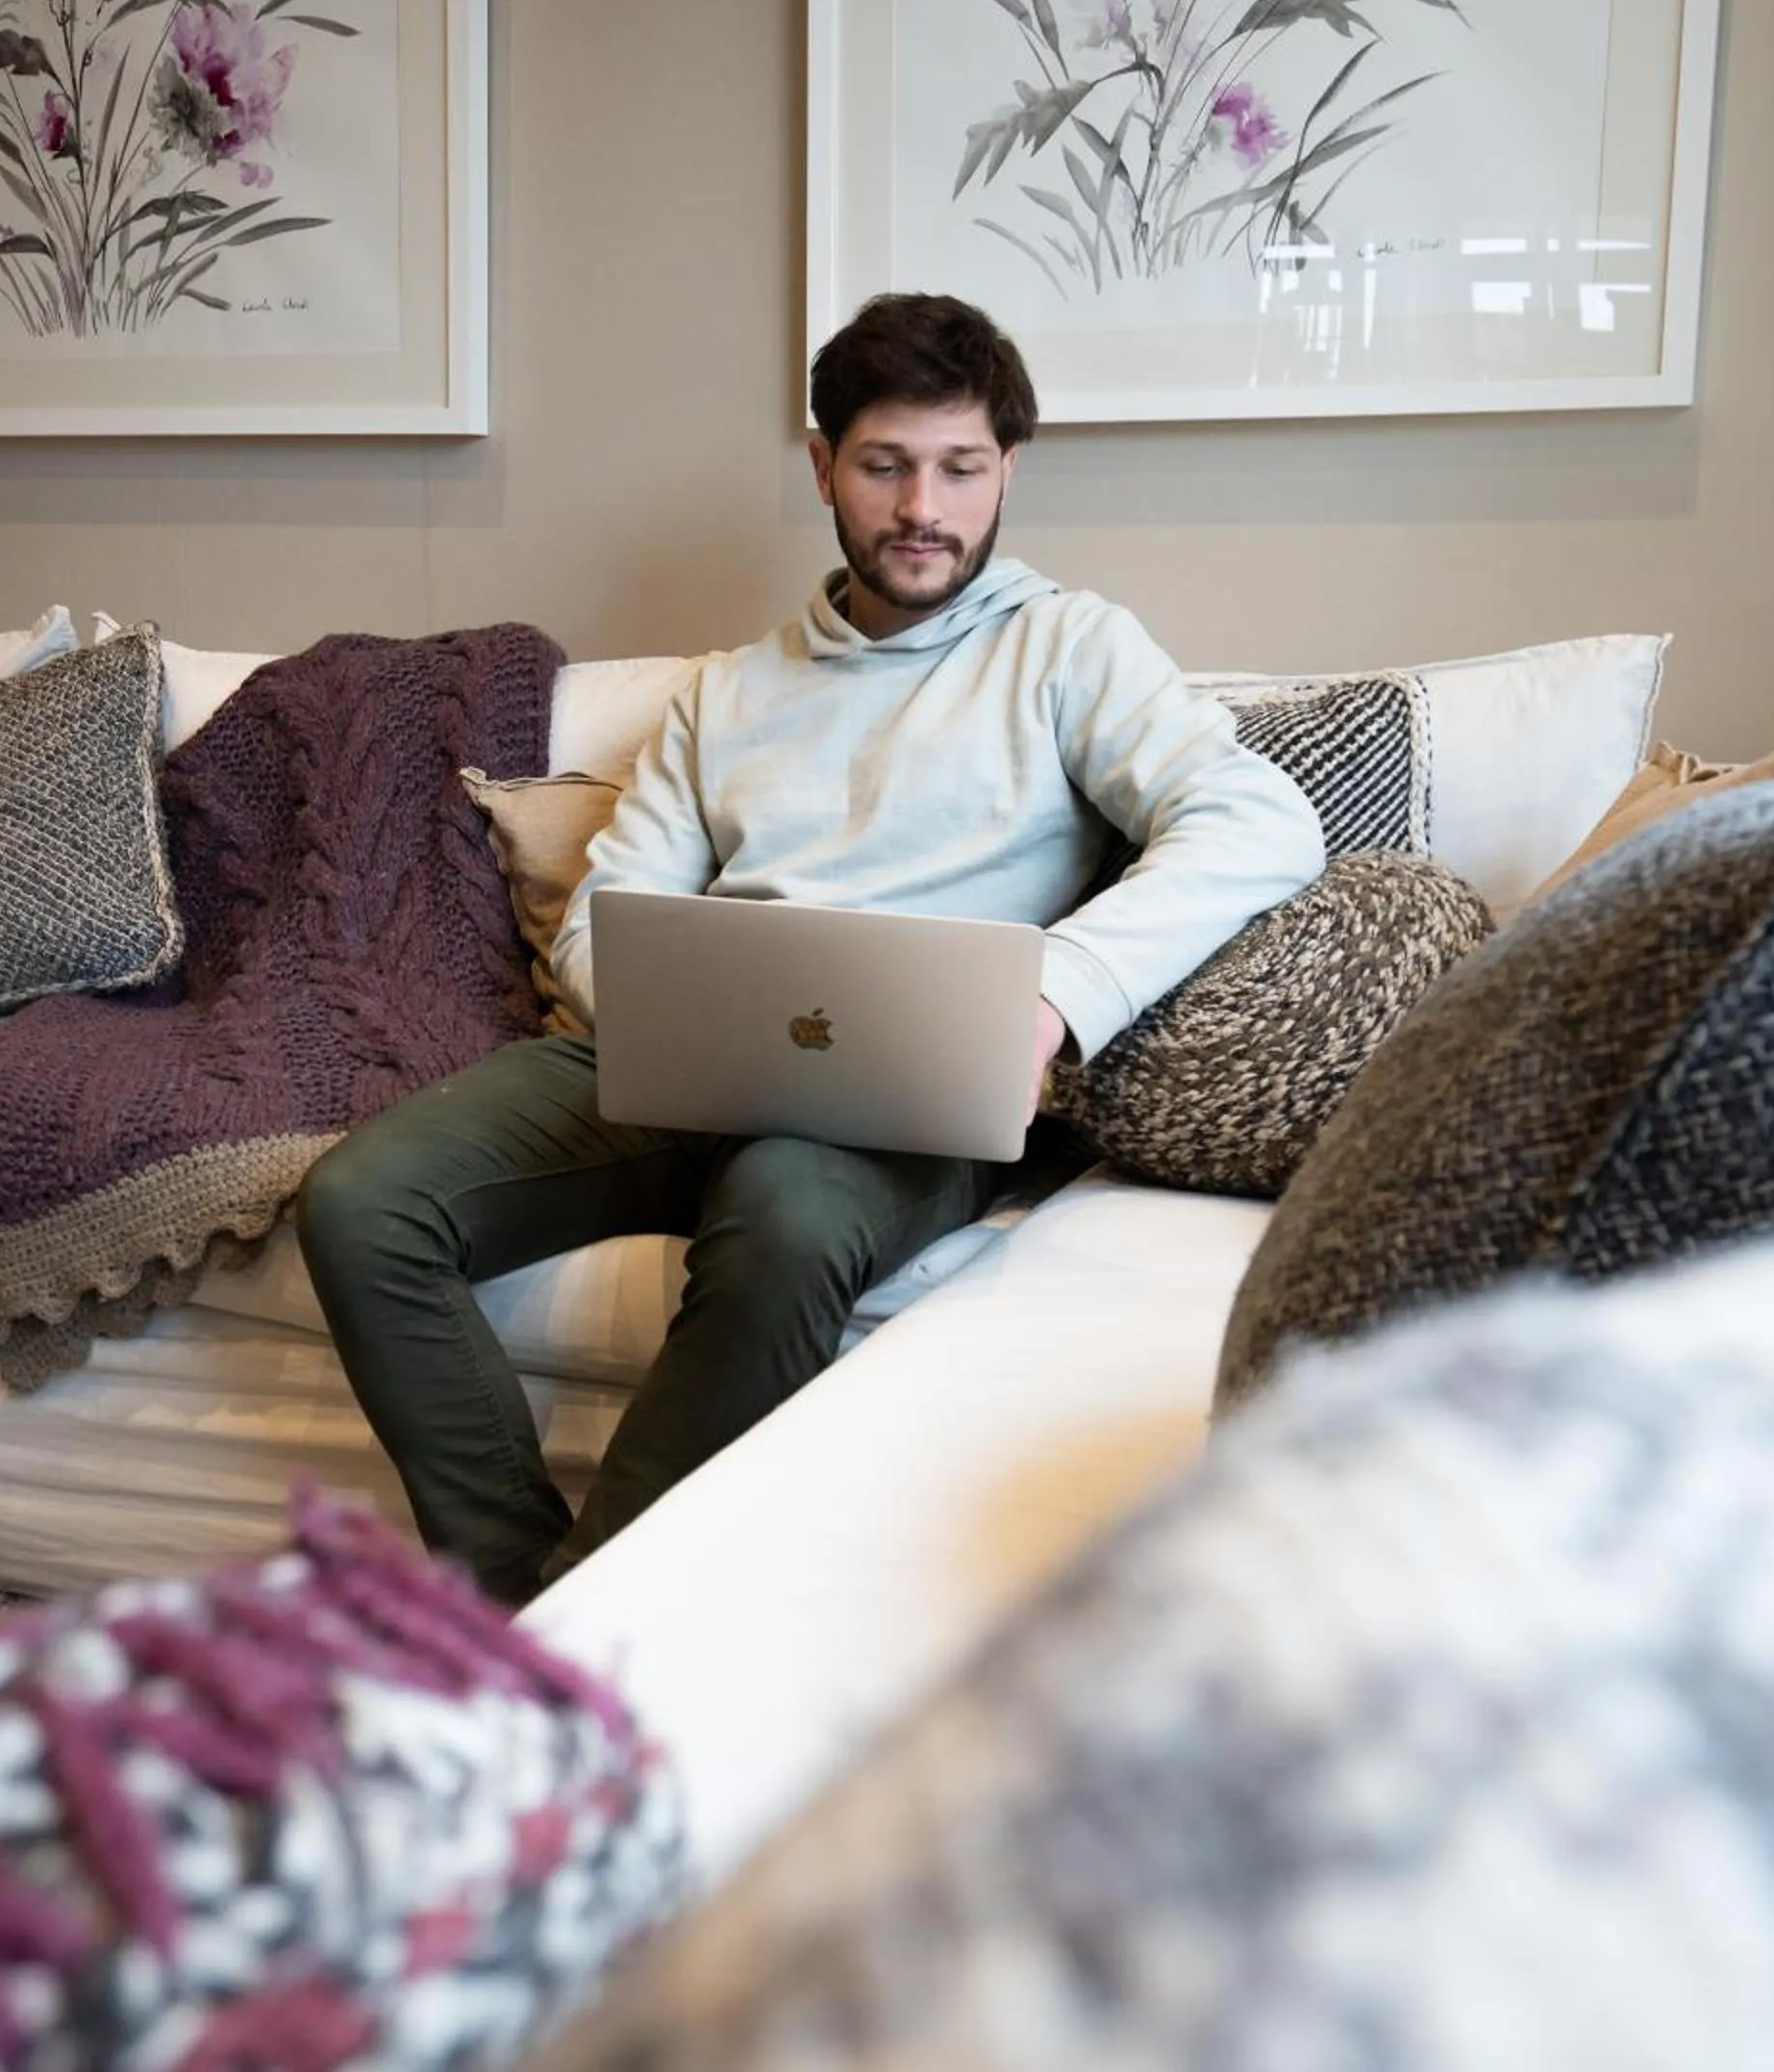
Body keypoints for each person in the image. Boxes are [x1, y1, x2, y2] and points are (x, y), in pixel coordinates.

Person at [298, 293, 1325, 1607]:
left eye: (960, 469)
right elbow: (610, 909)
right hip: (686, 1067)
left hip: (907, 1095)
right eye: (885, 464)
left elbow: (1254, 821)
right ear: (823, 466)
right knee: (361, 1201)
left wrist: (1054, 999)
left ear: (1007, 469)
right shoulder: (730, 690)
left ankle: (580, 1625)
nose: (922, 508)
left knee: (785, 1216)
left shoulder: (1068, 647)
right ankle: (501, 1599)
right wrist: (679, 1017)